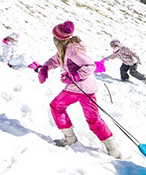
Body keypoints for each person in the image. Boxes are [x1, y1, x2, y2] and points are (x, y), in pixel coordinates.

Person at [38, 21, 122, 159]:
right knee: (93, 119)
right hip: (86, 89)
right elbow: (57, 59)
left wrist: (74, 76)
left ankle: (70, 138)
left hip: (78, 88)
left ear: (58, 38)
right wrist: (45, 67)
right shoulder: (66, 48)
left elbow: (89, 65)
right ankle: (113, 149)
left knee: (56, 107)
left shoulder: (72, 50)